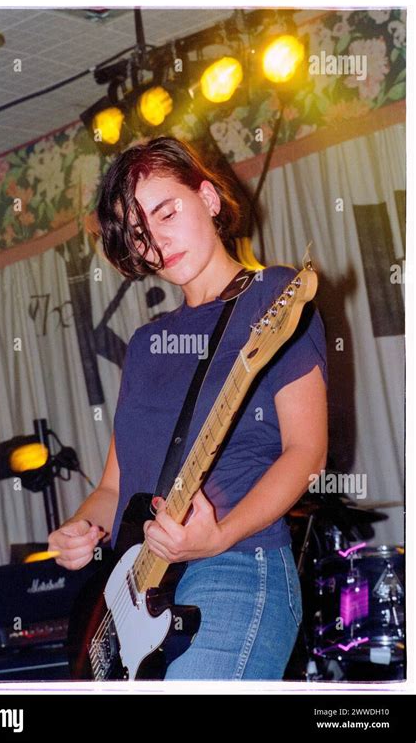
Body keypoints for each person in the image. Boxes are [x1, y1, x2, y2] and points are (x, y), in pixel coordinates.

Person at [48, 136, 328, 680]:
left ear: (209, 198)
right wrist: (79, 529)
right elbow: (115, 489)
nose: (155, 239)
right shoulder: (147, 345)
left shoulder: (272, 296)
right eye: (138, 231)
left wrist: (218, 534)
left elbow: (306, 451)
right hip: (140, 592)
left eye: (166, 211)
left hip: (239, 562)